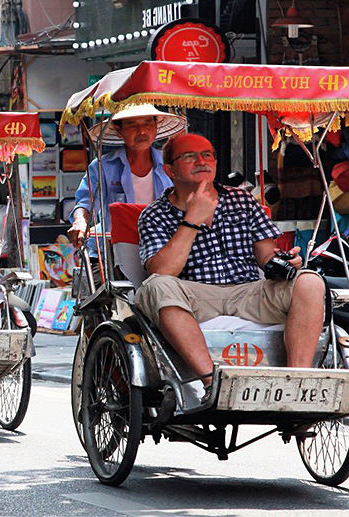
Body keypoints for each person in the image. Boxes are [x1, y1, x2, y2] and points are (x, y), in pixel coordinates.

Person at [135, 133, 325, 397]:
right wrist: (192, 220)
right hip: (194, 296)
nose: (201, 161)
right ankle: (213, 383)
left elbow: (267, 257)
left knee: (310, 282)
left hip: (248, 291)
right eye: (189, 156)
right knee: (156, 285)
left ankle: (298, 385)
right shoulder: (155, 213)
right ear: (169, 170)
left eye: (207, 155)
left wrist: (286, 261)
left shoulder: (242, 201)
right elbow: (163, 270)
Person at [68, 105, 186, 260]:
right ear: (119, 130)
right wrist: (80, 222)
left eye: (147, 123)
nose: (142, 131)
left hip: (163, 250)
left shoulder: (172, 166)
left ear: (156, 126)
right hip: (111, 253)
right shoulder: (102, 167)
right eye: (132, 125)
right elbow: (85, 203)